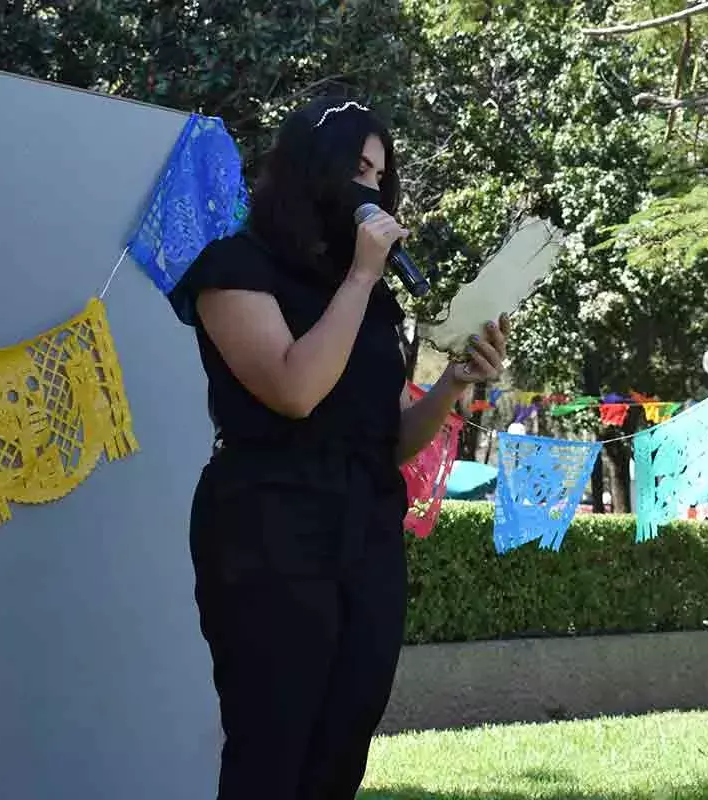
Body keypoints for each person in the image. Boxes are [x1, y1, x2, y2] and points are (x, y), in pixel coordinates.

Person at [167, 98, 510, 799]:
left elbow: (388, 441)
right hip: (266, 521)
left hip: (365, 524)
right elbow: (296, 390)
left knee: (345, 734)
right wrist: (360, 278)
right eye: (359, 168)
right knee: (274, 740)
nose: (373, 191)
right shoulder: (235, 264)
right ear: (309, 166)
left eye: (382, 178)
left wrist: (450, 382)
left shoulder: (373, 301)